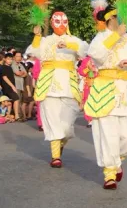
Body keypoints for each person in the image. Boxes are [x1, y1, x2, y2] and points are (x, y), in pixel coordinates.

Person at [85, 5, 127, 190]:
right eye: (118, 18)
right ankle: (109, 173)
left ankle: (117, 161)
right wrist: (115, 36)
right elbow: (96, 55)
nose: (123, 21)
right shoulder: (101, 38)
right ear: (109, 19)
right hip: (104, 90)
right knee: (107, 134)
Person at [26, 12, 89, 168]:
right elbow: (33, 52)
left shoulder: (74, 40)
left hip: (69, 85)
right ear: (52, 23)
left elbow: (86, 51)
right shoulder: (46, 40)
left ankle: (60, 143)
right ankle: (55, 156)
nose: (61, 24)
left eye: (64, 21)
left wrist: (69, 45)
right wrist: (37, 36)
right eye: (57, 21)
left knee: (67, 127)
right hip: (49, 84)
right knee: (52, 120)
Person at [77, 56, 97, 128]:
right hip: (89, 83)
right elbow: (81, 71)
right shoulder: (87, 60)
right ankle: (90, 120)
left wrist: (96, 70)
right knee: (87, 101)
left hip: (100, 83)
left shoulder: (102, 58)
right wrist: (88, 69)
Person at [1, 53, 22, 121]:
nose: (10, 61)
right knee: (16, 98)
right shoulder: (3, 67)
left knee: (9, 102)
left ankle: (8, 116)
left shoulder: (10, 67)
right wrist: (13, 86)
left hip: (10, 87)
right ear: (4, 59)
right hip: (7, 87)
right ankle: (16, 115)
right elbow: (4, 77)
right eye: (8, 59)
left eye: (11, 59)